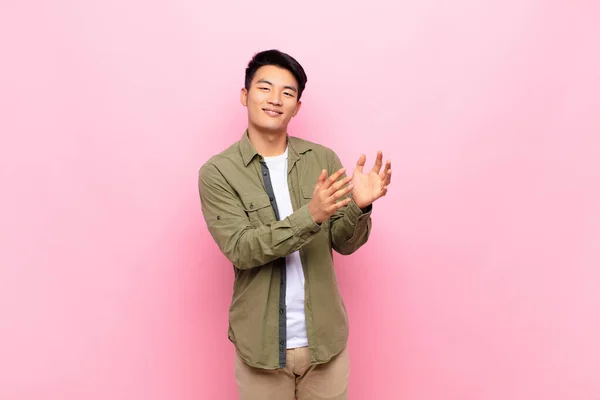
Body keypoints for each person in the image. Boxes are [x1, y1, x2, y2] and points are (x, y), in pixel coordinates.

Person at [197, 49, 392, 400]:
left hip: (325, 346)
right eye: (265, 88)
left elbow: (343, 243)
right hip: (261, 350)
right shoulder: (218, 173)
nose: (275, 100)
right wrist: (310, 215)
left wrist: (360, 208)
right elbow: (243, 249)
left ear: (298, 106)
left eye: (287, 92)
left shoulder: (321, 158)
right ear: (245, 95)